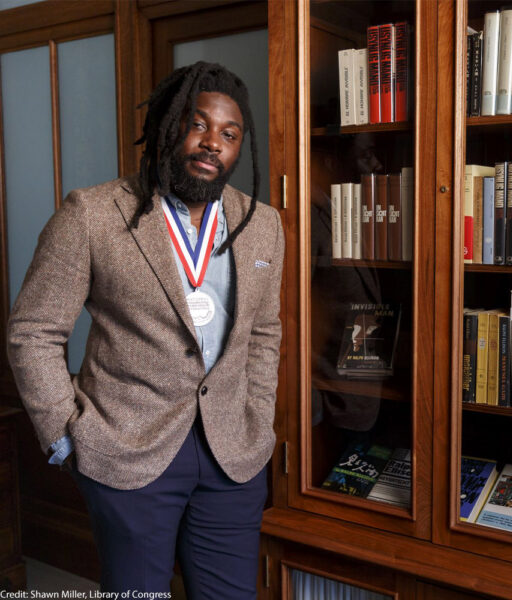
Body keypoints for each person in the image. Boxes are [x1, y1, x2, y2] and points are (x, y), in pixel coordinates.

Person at [7, 61, 284, 599]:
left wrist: (257, 415)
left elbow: (265, 333)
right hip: (127, 450)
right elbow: (33, 331)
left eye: (229, 135)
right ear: (168, 124)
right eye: (197, 124)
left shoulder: (262, 224)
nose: (212, 144)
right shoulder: (91, 214)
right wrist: (67, 437)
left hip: (233, 454)